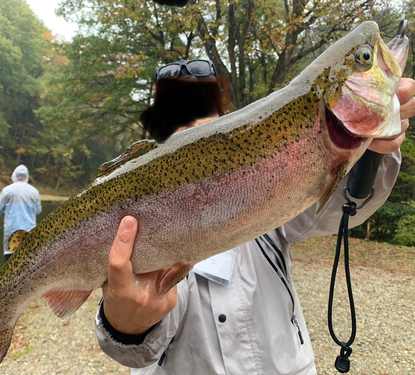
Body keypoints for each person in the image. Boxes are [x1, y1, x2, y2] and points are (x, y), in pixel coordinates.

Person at [95, 59, 415, 374]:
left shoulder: (271, 184)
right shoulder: (128, 210)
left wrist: (370, 152)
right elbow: (139, 354)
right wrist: (125, 326)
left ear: (225, 118)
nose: (188, 124)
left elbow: (341, 207)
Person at [0, 165, 42, 262]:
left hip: (11, 230)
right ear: (27, 177)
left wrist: (8, 217)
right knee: (28, 262)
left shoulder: (7, 190)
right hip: (29, 231)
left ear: (15, 176)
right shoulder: (34, 191)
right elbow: (37, 211)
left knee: (9, 261)